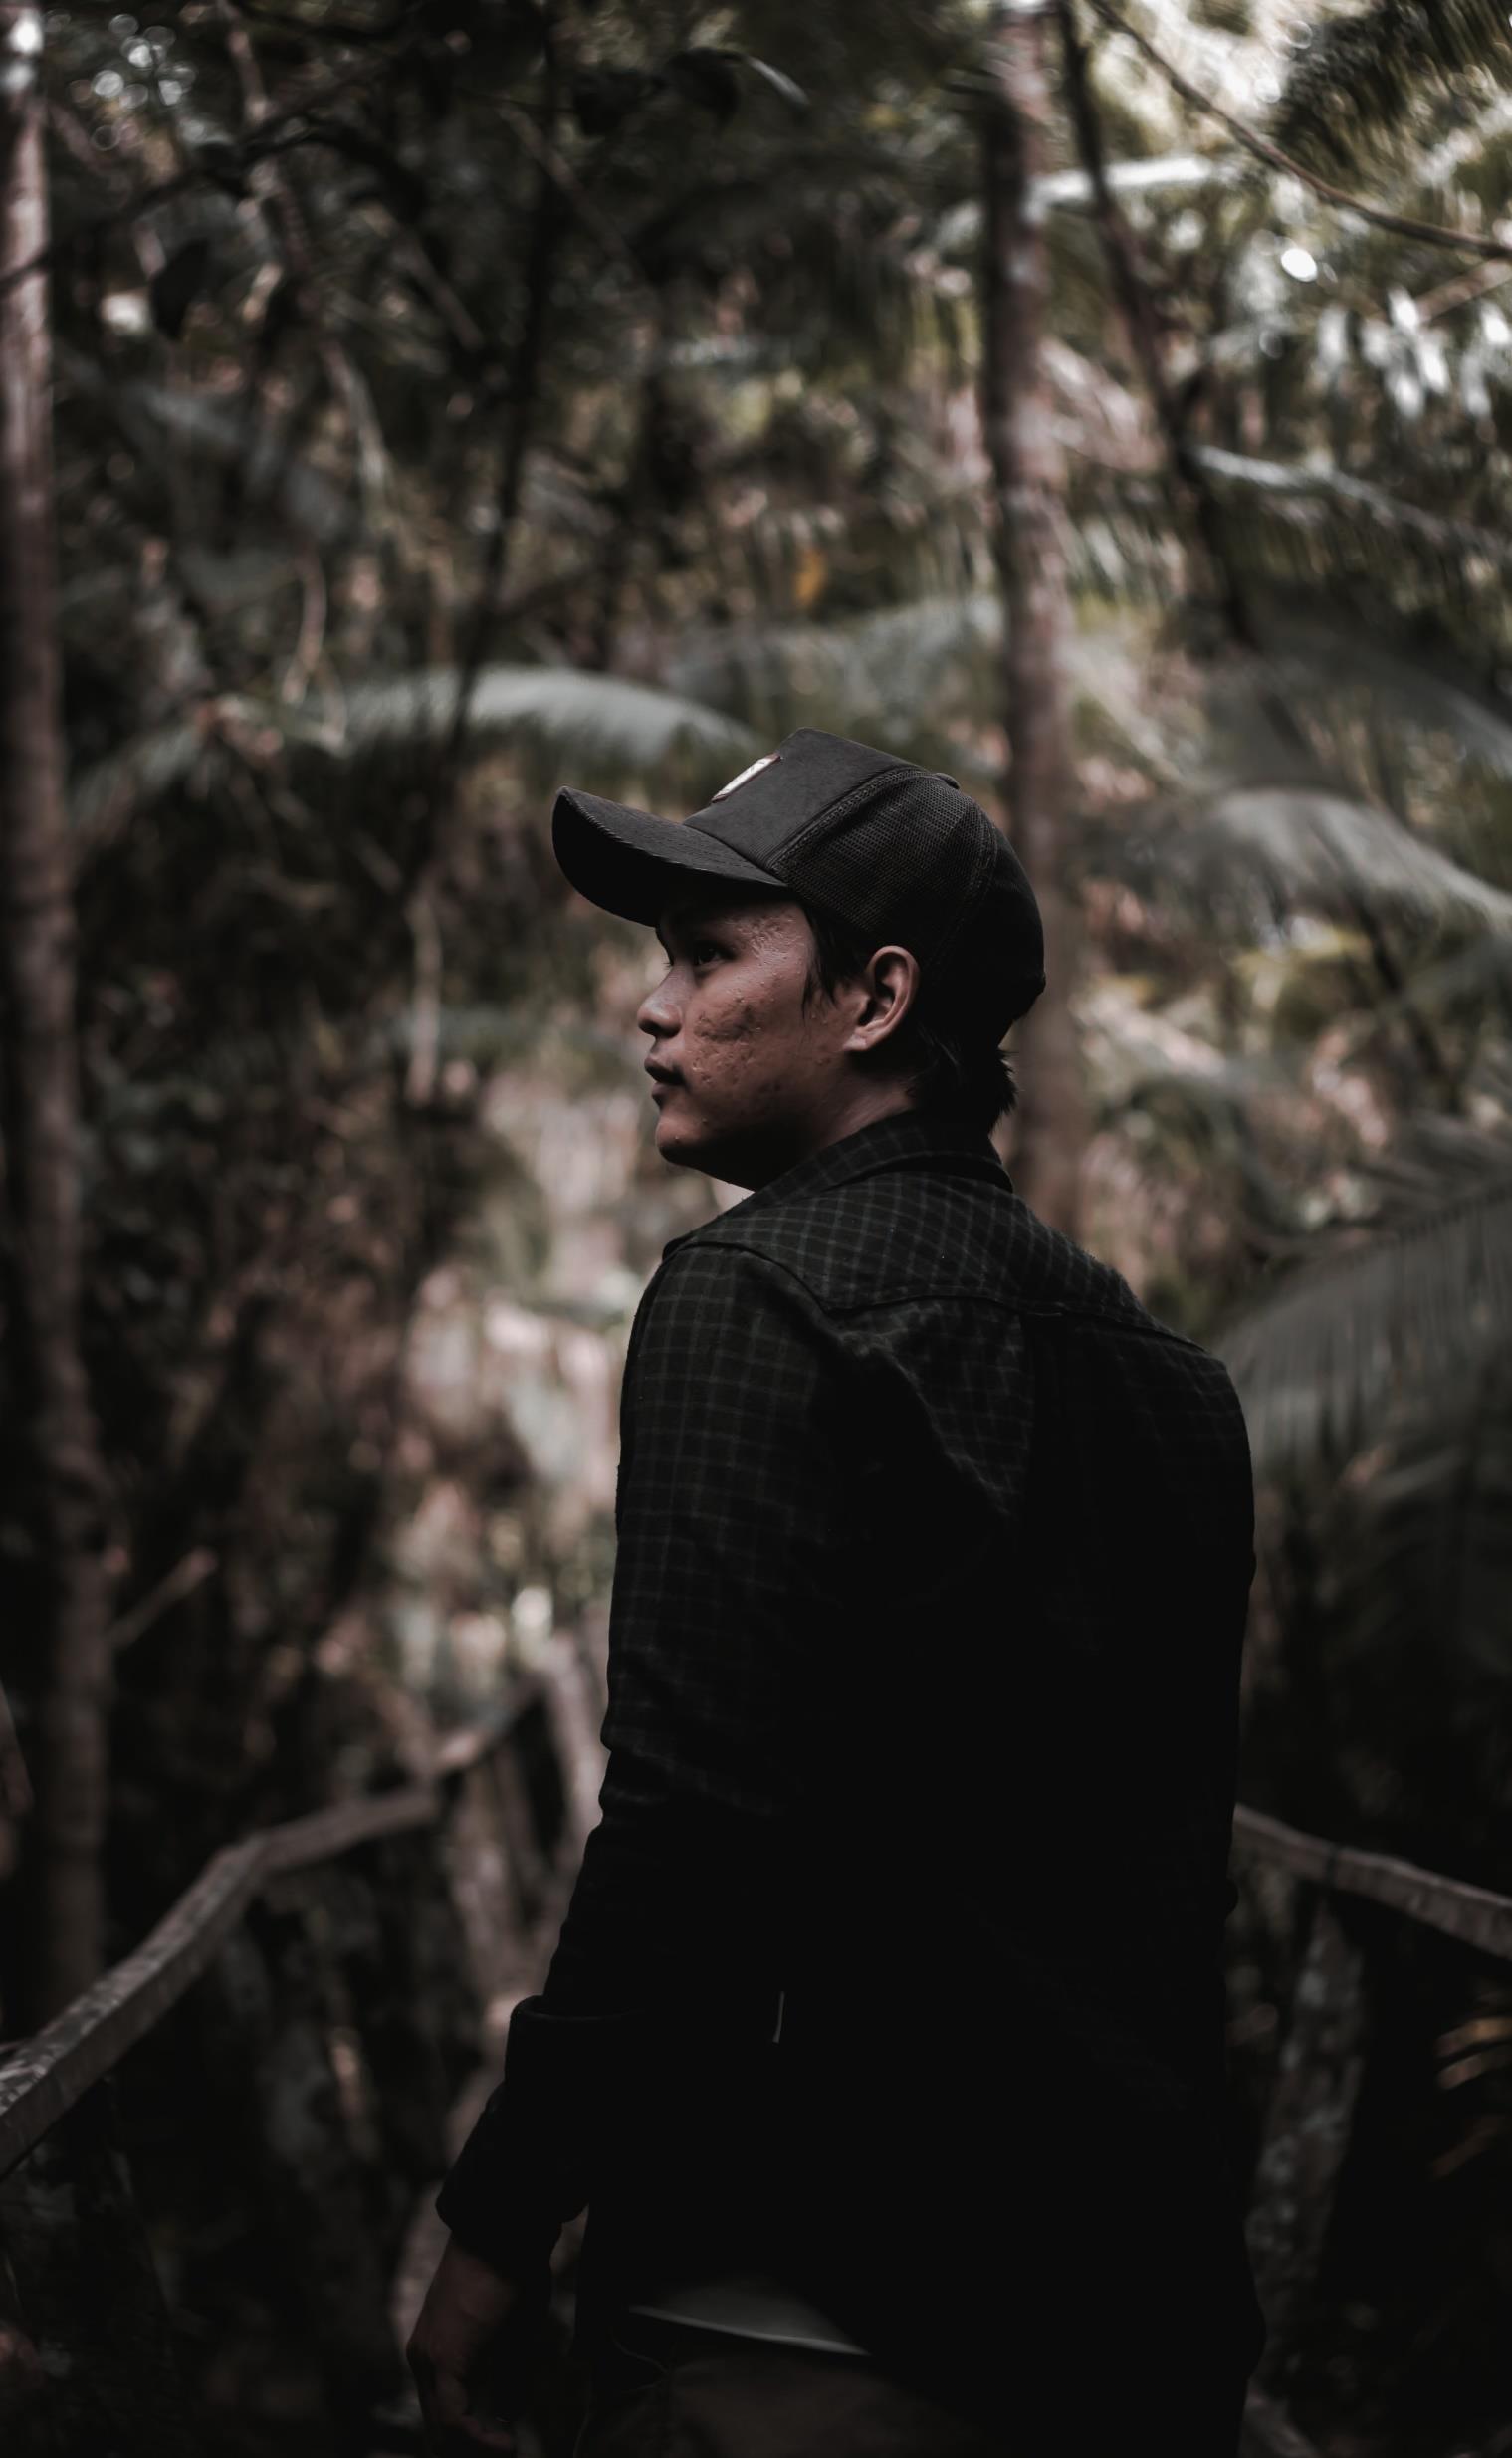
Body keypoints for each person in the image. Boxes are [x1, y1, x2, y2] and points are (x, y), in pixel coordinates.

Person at [406, 730, 1266, 2455]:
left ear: (876, 998)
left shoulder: (757, 1296)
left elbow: (689, 1827)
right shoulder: (1174, 1379)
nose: (655, 1007)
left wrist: (500, 2220)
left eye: (709, 953)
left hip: (812, 2311)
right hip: (1140, 2311)